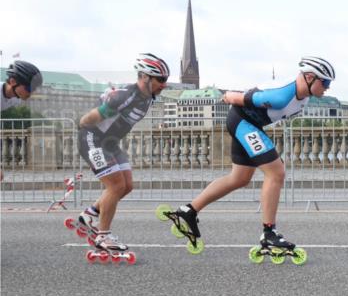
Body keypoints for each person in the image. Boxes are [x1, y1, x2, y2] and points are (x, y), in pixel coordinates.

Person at [165, 56, 334, 254]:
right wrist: (227, 95)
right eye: (326, 82)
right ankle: (269, 233)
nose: (327, 88)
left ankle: (188, 211)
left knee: (239, 178)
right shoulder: (282, 95)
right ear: (310, 77)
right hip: (242, 122)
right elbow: (239, 97)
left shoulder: (304, 97)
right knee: (276, 172)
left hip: (248, 124)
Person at [76, 53, 170, 252]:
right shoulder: (127, 97)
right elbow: (91, 117)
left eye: (165, 80)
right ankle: (103, 236)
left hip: (110, 143)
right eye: (160, 79)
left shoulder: (148, 97)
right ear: (145, 77)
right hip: (93, 140)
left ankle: (89, 214)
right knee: (116, 185)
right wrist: (83, 127)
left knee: (127, 185)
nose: (164, 84)